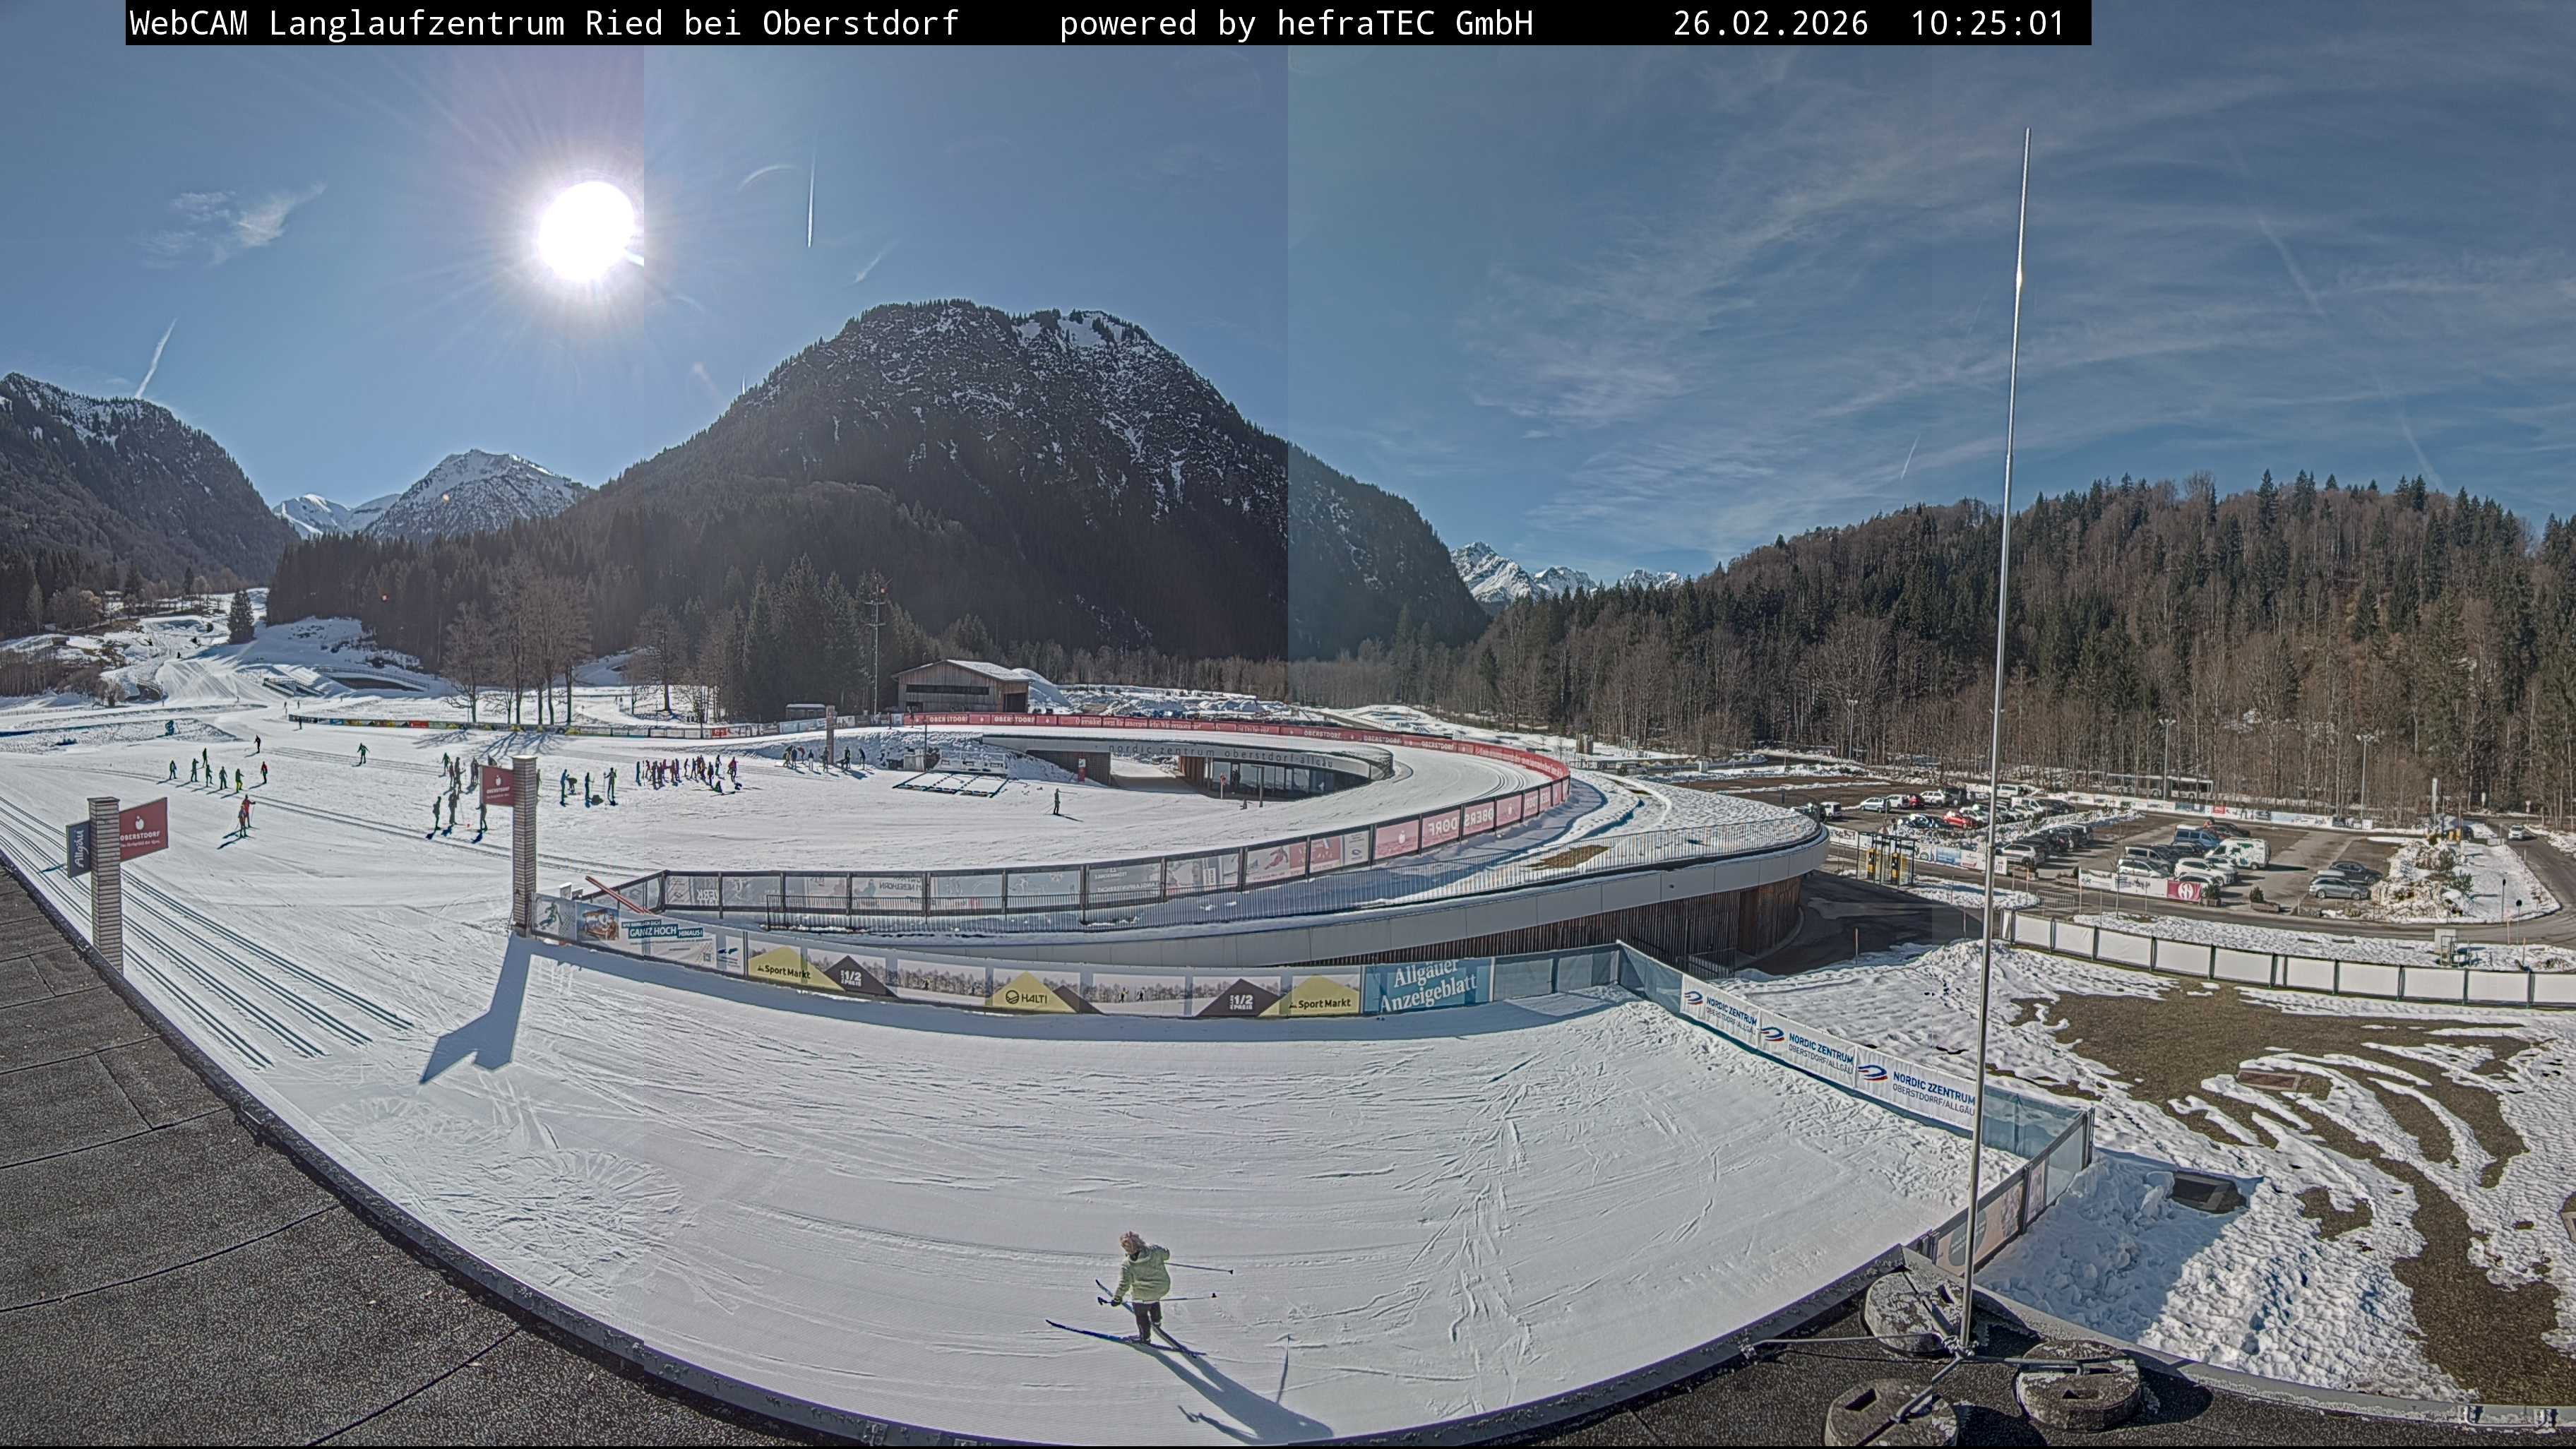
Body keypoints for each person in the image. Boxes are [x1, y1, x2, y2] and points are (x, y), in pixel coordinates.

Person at [1106, 1233, 1172, 1345]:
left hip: (1142, 1295)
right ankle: (1156, 1321)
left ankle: (1144, 1338)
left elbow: (1124, 1284)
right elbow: (1167, 1255)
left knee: (1141, 1314)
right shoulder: (1154, 1250)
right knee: (1154, 1299)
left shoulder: (1127, 1264)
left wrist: (1117, 1298)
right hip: (1162, 1288)